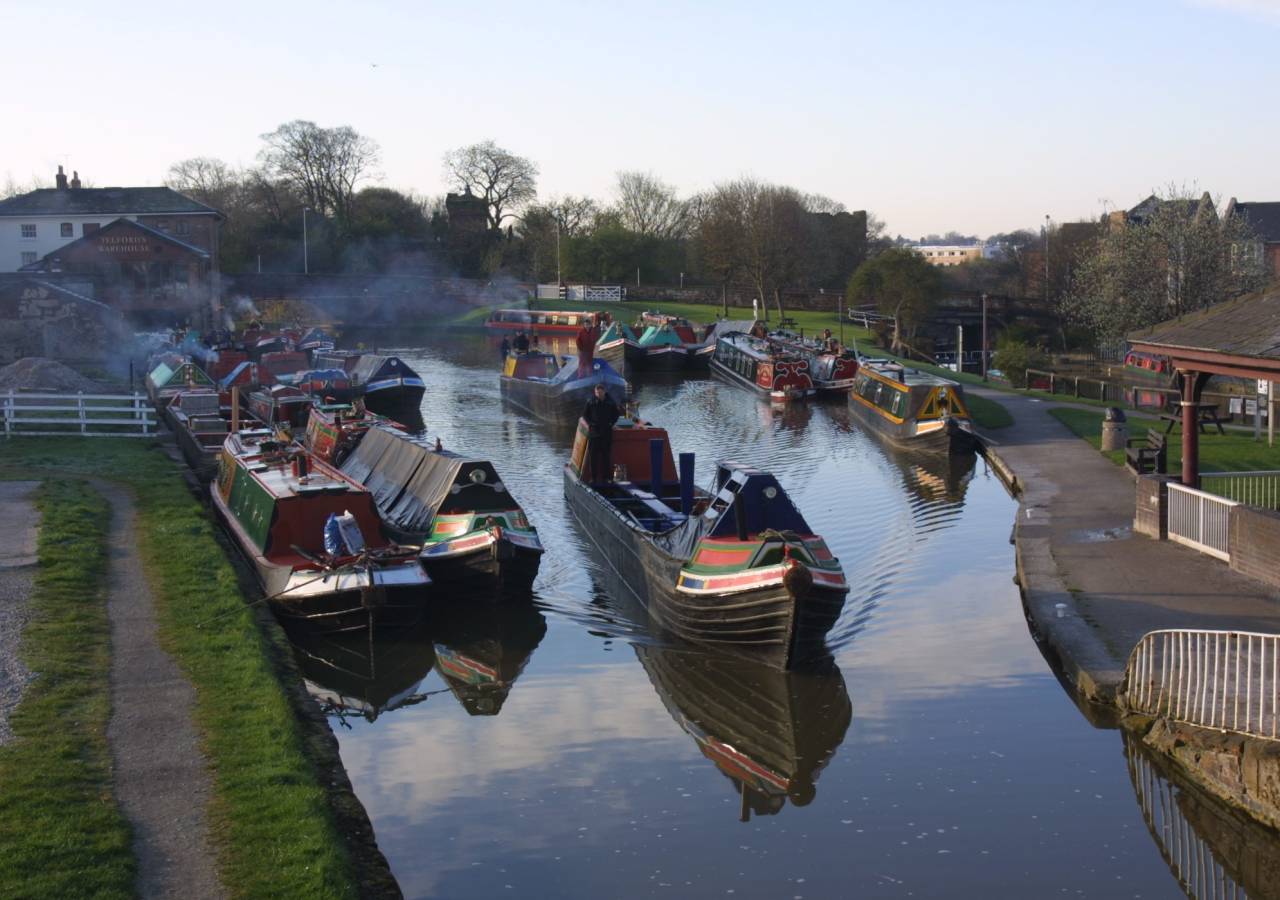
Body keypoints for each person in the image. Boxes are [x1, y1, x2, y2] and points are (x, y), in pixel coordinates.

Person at [582, 383, 621, 485]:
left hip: (606, 432)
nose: (598, 394)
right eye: (597, 393)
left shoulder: (610, 402)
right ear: (595, 392)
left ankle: (606, 477)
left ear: (604, 392)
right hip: (594, 432)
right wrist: (590, 424)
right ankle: (593, 477)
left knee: (606, 456)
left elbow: (616, 414)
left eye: (600, 392)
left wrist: (611, 423)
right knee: (593, 457)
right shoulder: (590, 402)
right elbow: (585, 415)